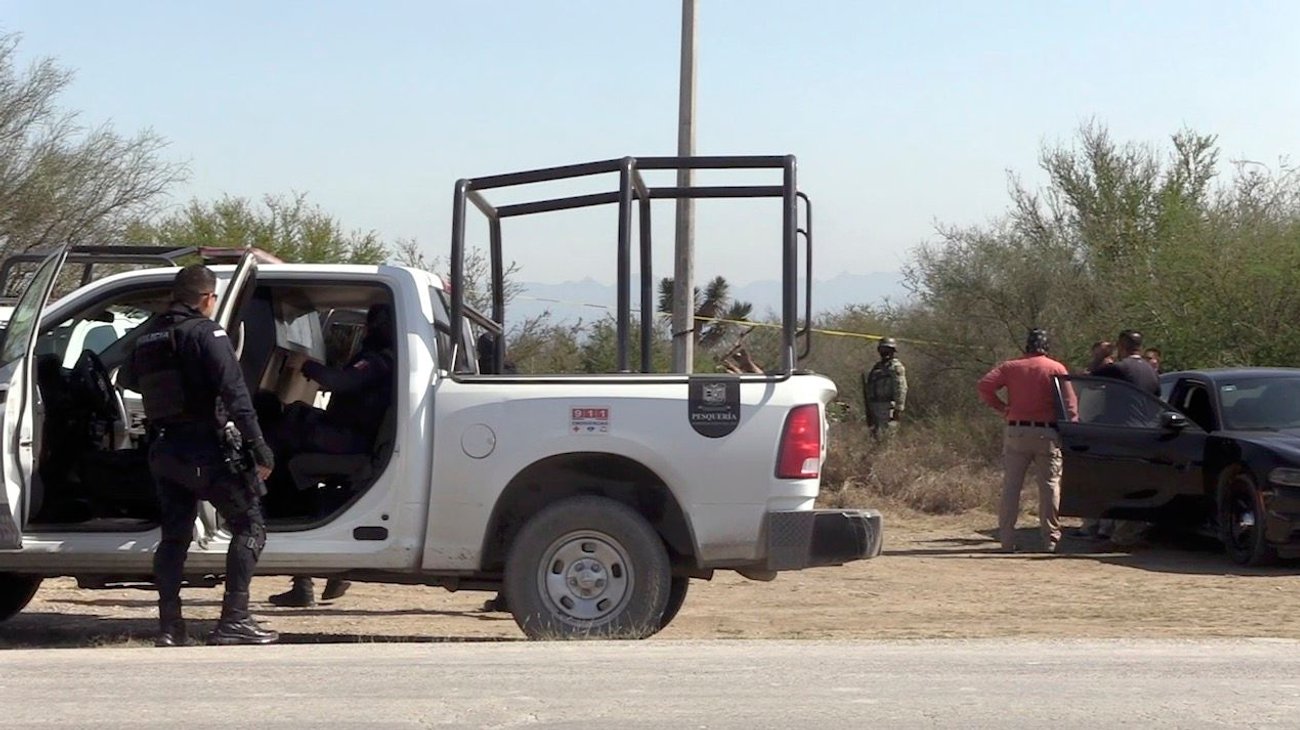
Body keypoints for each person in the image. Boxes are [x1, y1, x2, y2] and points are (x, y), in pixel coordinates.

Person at [122, 264, 278, 646]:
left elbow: (127, 378)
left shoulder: (148, 336)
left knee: (174, 538)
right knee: (250, 526)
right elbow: (235, 393)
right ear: (208, 298)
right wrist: (259, 446)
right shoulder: (206, 333)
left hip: (165, 450)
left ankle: (170, 627)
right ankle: (235, 620)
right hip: (205, 450)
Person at [266, 302, 396, 608]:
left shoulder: (379, 359)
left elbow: (342, 382)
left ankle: (302, 577)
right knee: (293, 418)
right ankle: (315, 572)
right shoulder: (388, 358)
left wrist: (306, 365)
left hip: (350, 440)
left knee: (278, 456)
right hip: (348, 434)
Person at [977, 328, 1076, 554]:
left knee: (1011, 487)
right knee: (1049, 487)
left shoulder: (1011, 367)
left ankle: (1006, 540)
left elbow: (984, 386)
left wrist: (1002, 408)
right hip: (1047, 433)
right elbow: (1070, 404)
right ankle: (1050, 540)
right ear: (1046, 346)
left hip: (1016, 431)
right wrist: (1072, 429)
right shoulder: (1056, 368)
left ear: (1026, 345)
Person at [1091, 330, 1159, 546]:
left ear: (1121, 346)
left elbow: (1091, 379)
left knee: (1117, 483)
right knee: (1137, 484)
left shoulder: (1120, 368)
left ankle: (1119, 535)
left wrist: (1100, 355)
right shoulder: (1150, 371)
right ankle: (1127, 531)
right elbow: (1156, 396)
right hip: (1147, 433)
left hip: (1122, 434)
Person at [863, 337, 908, 441]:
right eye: (882, 349)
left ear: (893, 351)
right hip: (874, 405)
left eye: (887, 349)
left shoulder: (895, 367)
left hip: (888, 406)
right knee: (874, 435)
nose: (884, 352)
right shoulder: (877, 367)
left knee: (887, 435)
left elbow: (901, 387)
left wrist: (899, 407)